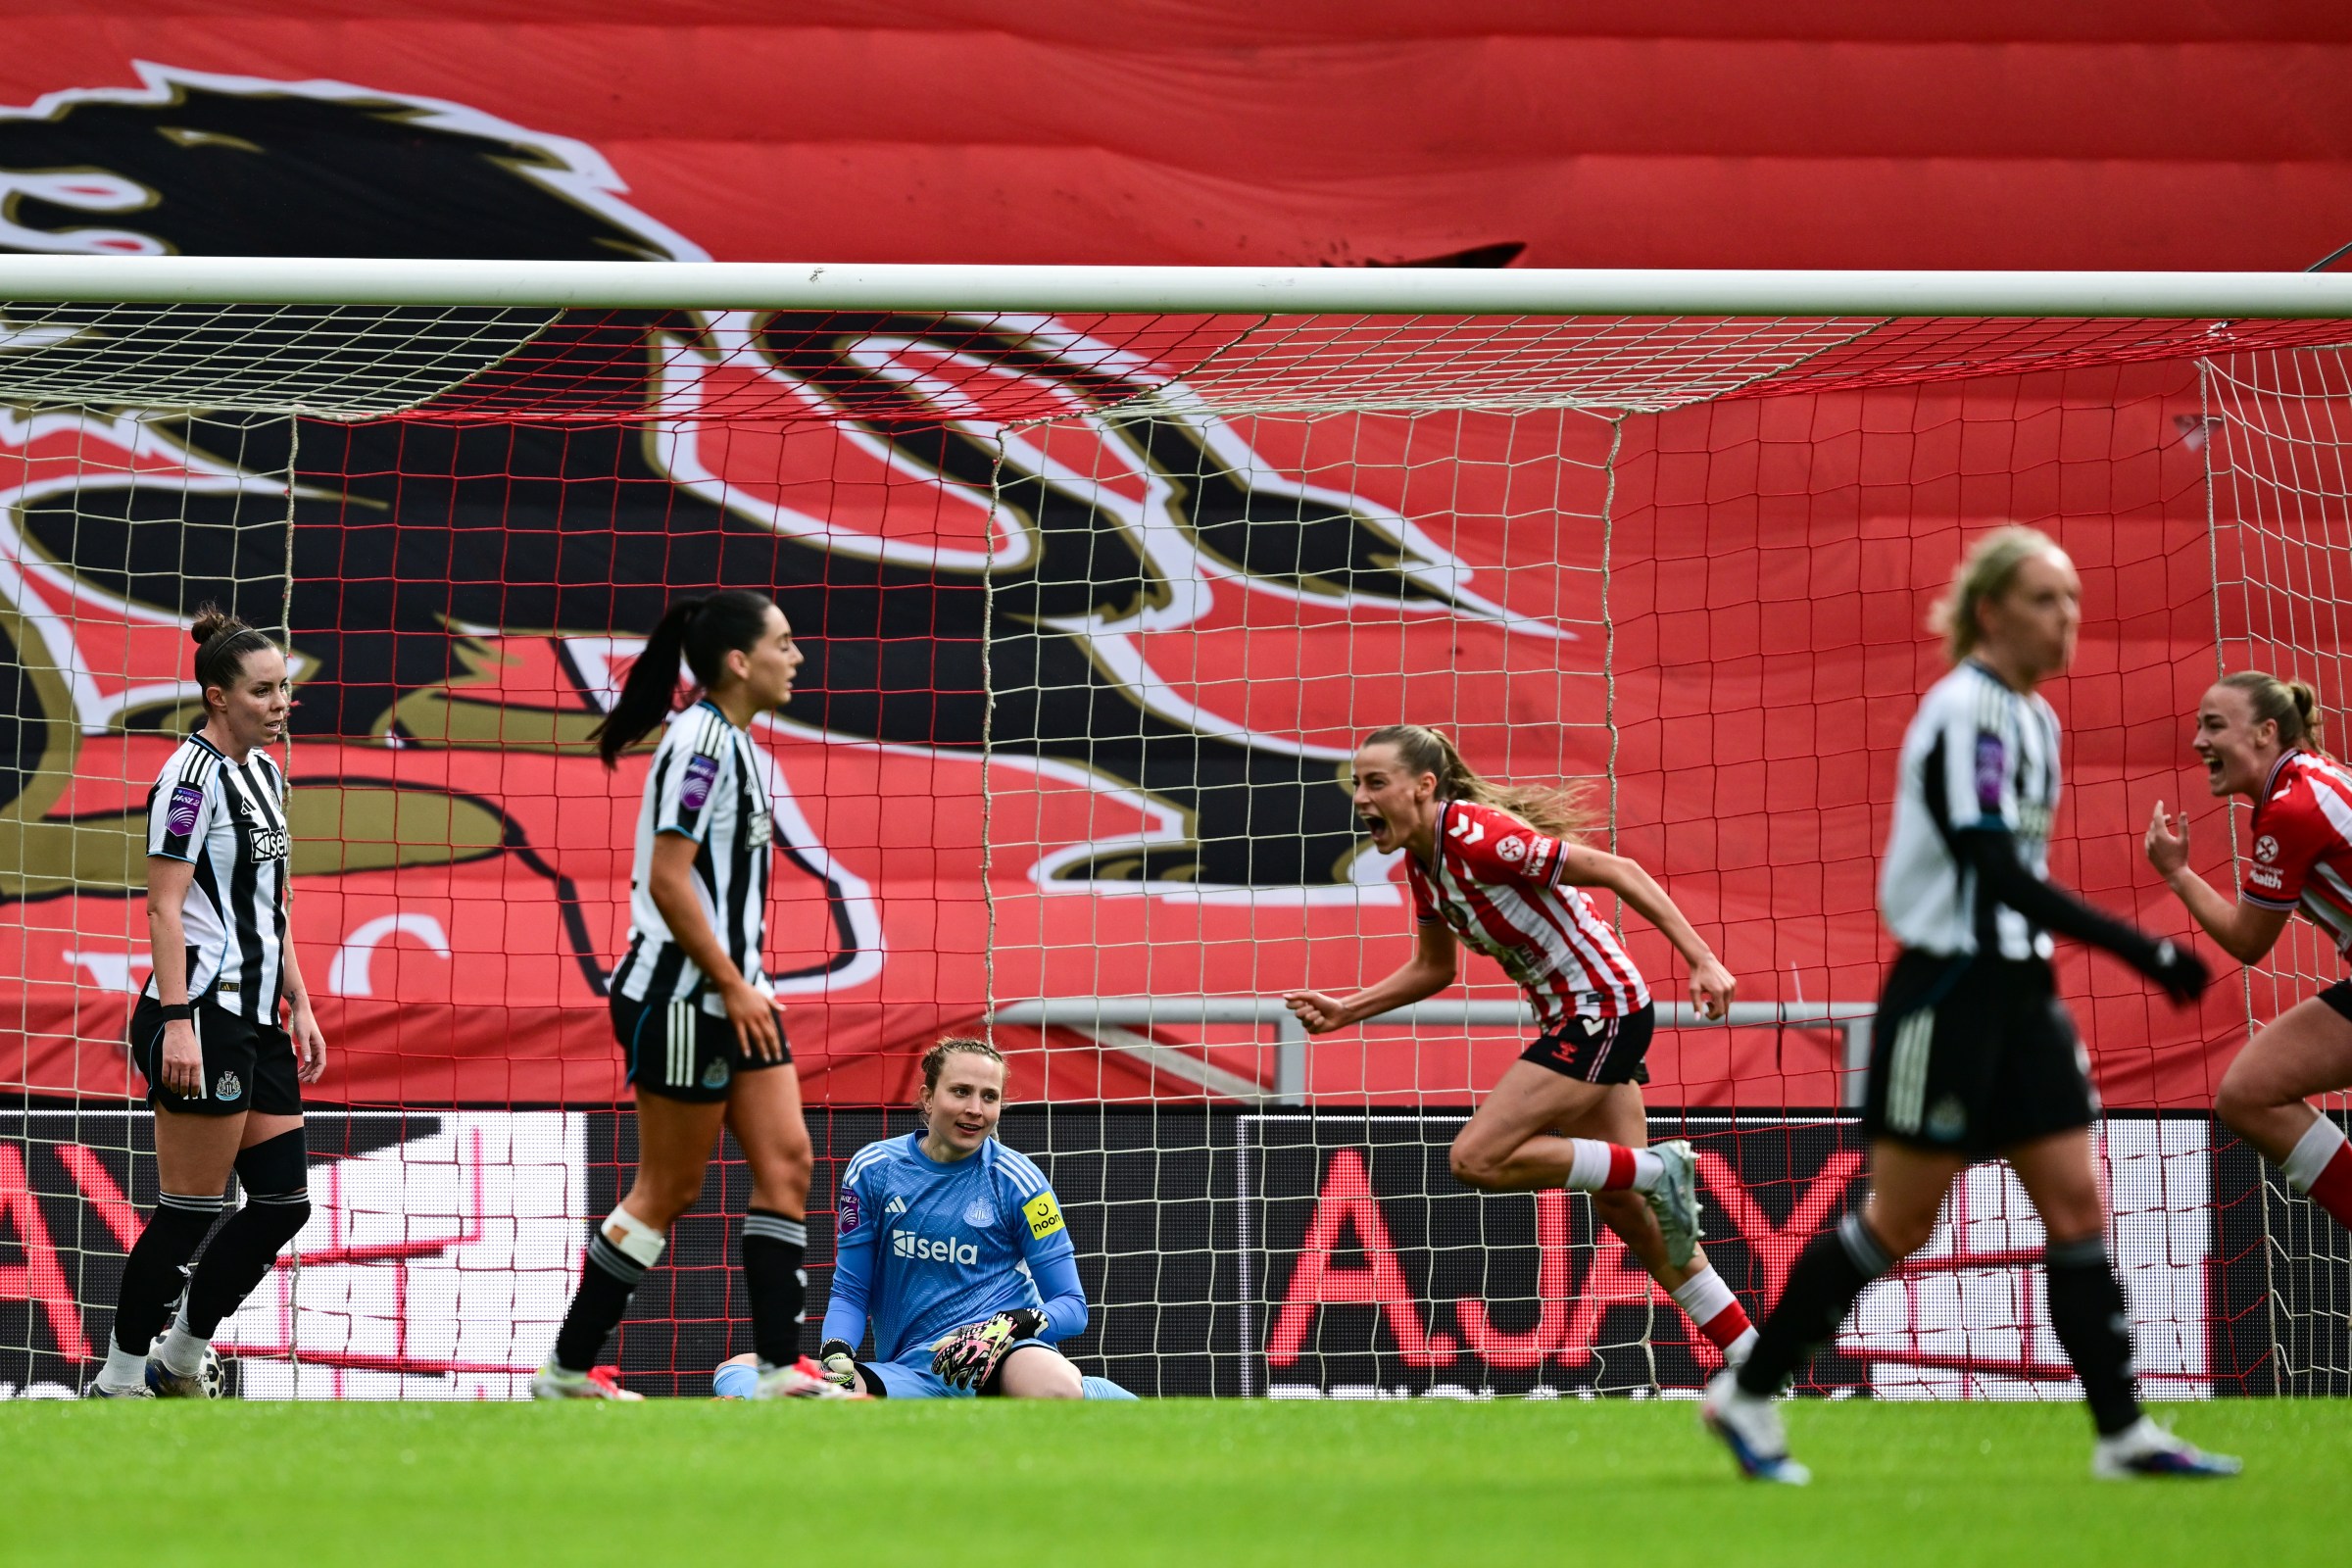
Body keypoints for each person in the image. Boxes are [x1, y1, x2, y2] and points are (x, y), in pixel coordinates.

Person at [1703, 526, 2236, 1483]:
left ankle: (2123, 1434)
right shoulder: (1965, 714)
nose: (2067, 618)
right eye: (2044, 599)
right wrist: (2138, 945)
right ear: (1991, 611)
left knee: (2078, 1203)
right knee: (1901, 1221)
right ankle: (1749, 1392)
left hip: (2022, 993)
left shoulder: (2037, 719)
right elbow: (1990, 867)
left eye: (2072, 599)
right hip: (1948, 990)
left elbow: (2017, 877)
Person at [1281, 723, 1761, 1371]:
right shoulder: (1424, 863)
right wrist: (1349, 1010)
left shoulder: (1478, 835)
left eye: (1376, 783)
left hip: (1600, 1012)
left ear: (1424, 786)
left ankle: (1658, 1170)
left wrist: (1703, 960)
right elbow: (1434, 969)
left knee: (1476, 1160)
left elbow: (1617, 870)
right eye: (1356, 785)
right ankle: (1757, 1361)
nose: (1361, 799)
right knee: (1632, 1215)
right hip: (1583, 1018)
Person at [533, 590, 847, 1400]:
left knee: (788, 1164)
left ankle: (782, 1368)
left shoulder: (736, 744)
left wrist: (745, 985)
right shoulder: (700, 745)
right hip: (684, 997)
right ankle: (567, 1369)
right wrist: (734, 983)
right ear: (739, 662)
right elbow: (668, 881)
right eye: (785, 642)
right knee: (669, 1190)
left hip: (737, 993)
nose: (798, 656)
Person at [88, 608, 325, 1397]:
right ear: (218, 698)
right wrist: (182, 1024)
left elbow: (272, 899)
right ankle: (118, 1384)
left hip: (259, 1020)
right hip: (202, 1016)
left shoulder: (265, 771)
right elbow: (164, 907)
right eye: (262, 691)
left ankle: (181, 1359)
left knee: (285, 1202)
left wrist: (300, 999)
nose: (279, 703)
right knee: (189, 1210)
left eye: (284, 688)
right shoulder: (188, 781)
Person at [807, 1038, 1135, 1400]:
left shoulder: (1019, 1182)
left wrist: (1009, 1326)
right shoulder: (873, 1169)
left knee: (1053, 1389)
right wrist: (837, 1352)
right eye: (961, 1092)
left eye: (989, 1096)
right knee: (771, 1383)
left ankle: (1092, 1395)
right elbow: (851, 1291)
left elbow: (1072, 1306)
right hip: (912, 1372)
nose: (975, 1109)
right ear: (928, 1098)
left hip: (1005, 1357)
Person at [2146, 671, 2352, 1231]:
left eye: (2214, 726)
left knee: (2249, 1094)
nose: (2198, 742)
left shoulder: (2290, 810)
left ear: (2265, 732)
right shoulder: (2307, 784)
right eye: (2197, 727)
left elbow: (2247, 941)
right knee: (2249, 1093)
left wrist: (2177, 872)